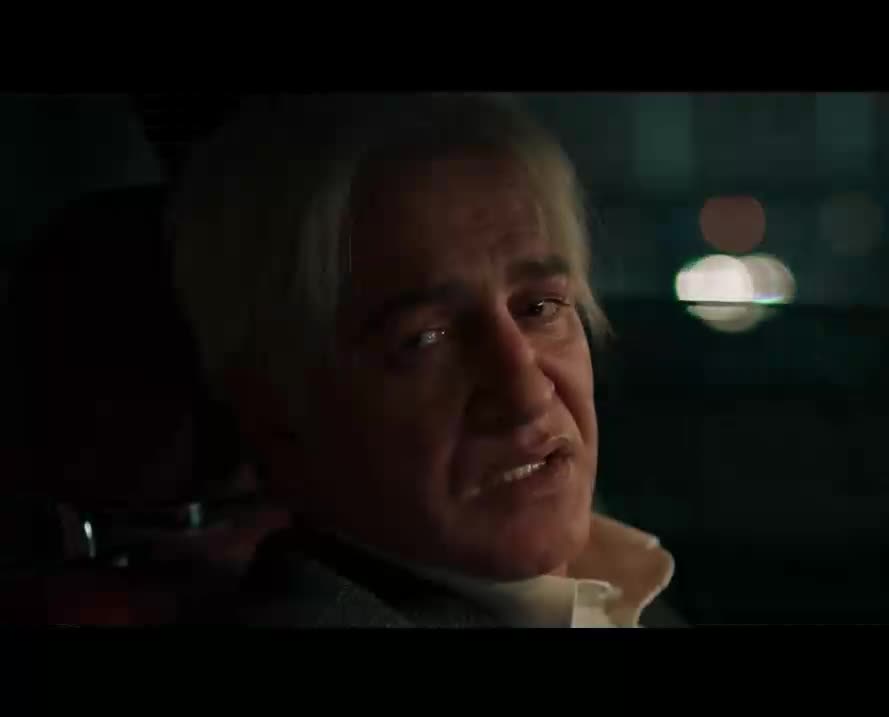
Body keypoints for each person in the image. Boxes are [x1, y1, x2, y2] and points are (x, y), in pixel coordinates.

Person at [170, 94, 679, 627]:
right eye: (425, 338)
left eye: (539, 307)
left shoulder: (610, 587)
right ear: (276, 409)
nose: (526, 395)